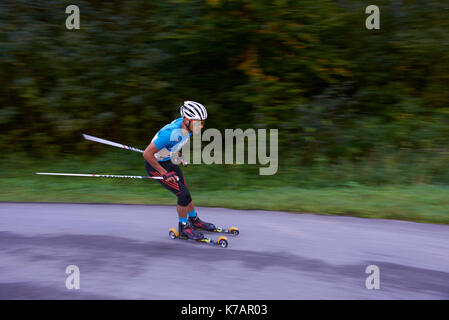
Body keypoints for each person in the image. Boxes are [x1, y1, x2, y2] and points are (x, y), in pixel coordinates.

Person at [143, 101, 215, 240]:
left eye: (202, 123)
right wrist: (164, 173)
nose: (200, 126)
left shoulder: (187, 128)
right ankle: (184, 229)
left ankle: (194, 221)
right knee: (183, 194)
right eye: (197, 122)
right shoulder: (169, 133)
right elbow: (146, 154)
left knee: (185, 192)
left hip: (168, 160)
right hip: (156, 166)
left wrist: (178, 156)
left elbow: (175, 145)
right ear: (187, 120)